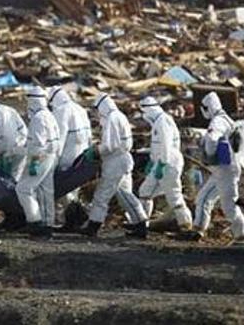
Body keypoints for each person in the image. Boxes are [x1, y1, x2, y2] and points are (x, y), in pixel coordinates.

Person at [80, 93, 149, 238]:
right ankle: (140, 224)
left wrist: (95, 150)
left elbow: (110, 145)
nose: (97, 113)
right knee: (125, 195)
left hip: (115, 162)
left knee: (102, 194)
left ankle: (93, 225)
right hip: (123, 160)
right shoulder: (119, 116)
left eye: (97, 109)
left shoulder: (111, 118)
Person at [192, 92, 244, 244]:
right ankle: (198, 229)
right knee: (204, 198)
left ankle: (242, 237)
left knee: (229, 205)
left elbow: (212, 140)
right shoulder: (227, 120)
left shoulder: (217, 121)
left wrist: (209, 155)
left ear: (208, 108)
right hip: (225, 169)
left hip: (225, 170)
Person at [137, 96, 193, 231]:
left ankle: (186, 225)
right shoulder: (158, 122)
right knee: (145, 192)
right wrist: (146, 153)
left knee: (174, 195)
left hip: (168, 164)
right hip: (161, 163)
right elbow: (159, 146)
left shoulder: (162, 122)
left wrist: (161, 165)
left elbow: (166, 146)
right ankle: (141, 224)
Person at [15, 87, 61, 238]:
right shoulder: (49, 115)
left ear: (32, 100)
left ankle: (34, 222)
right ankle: (47, 226)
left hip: (41, 157)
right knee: (45, 191)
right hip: (51, 156)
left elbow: (37, 145)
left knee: (23, 189)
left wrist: (31, 159)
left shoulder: (38, 119)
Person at [48, 86, 92, 228]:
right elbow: (90, 135)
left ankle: (71, 220)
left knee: (63, 190)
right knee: (74, 189)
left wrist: (53, 160)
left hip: (67, 156)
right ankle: (76, 218)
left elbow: (59, 139)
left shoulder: (61, 111)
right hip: (81, 155)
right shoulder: (80, 109)